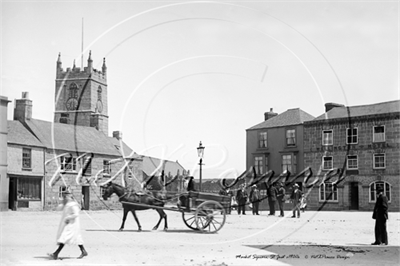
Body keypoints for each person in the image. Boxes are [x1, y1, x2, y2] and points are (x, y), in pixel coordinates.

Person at [48, 187, 88, 260]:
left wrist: (68, 218)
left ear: (68, 196)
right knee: (76, 238)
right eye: (63, 196)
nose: (64, 197)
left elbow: (76, 214)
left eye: (65, 196)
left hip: (72, 224)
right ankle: (84, 251)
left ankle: (55, 253)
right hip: (68, 224)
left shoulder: (73, 204)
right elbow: (59, 208)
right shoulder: (67, 204)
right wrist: (62, 204)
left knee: (64, 237)